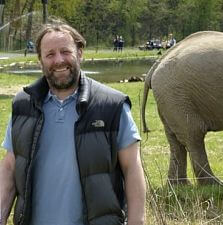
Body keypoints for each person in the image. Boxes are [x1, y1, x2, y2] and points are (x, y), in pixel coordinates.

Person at [0, 22, 146, 225]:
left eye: (65, 52)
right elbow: (10, 166)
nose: (59, 60)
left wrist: (136, 221)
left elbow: (132, 168)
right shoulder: (23, 105)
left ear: (80, 53)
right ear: (40, 60)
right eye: (50, 54)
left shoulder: (112, 106)